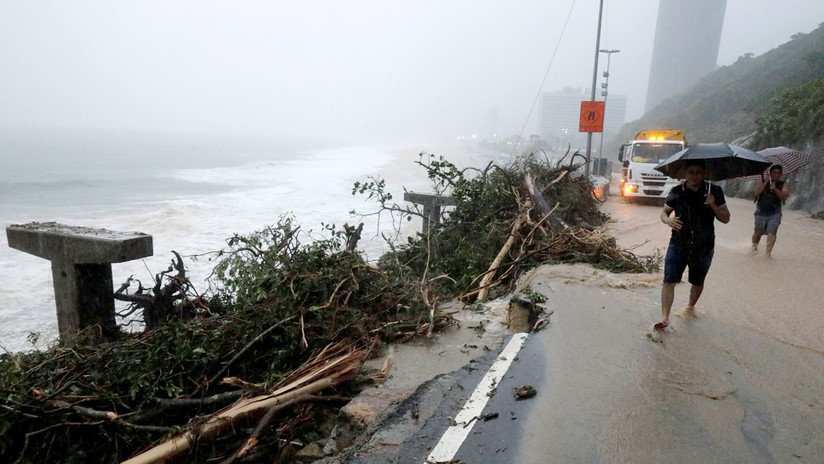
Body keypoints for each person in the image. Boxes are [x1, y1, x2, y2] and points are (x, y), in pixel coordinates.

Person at [654, 159, 730, 331]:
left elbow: (725, 218)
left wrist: (713, 204)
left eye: (698, 172)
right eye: (691, 172)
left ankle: (690, 307)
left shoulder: (715, 191)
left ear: (703, 173)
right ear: (684, 173)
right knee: (669, 280)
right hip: (678, 242)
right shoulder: (677, 191)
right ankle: (665, 318)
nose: (694, 176)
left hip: (704, 245)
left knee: (697, 281)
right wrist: (668, 221)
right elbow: (664, 212)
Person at [751, 164, 789, 258]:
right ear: (770, 173)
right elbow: (755, 193)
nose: (776, 174)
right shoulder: (762, 182)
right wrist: (766, 182)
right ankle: (754, 248)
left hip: (775, 213)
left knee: (772, 231)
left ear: (781, 174)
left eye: (778, 173)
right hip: (761, 212)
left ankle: (768, 253)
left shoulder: (783, 184)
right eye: (774, 172)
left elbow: (785, 196)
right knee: (758, 233)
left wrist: (775, 189)